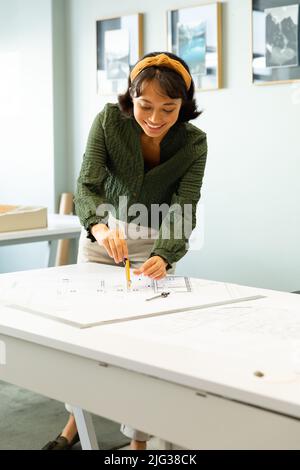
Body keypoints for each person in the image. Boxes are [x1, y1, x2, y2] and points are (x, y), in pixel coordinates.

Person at [42, 51, 207, 451]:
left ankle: (138, 443)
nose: (155, 118)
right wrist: (98, 226)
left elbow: (185, 205)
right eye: (145, 105)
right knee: (88, 338)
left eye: (168, 108)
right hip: (103, 239)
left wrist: (166, 254)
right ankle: (73, 429)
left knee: (144, 346)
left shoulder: (195, 143)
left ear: (183, 105)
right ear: (130, 97)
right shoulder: (107, 122)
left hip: (152, 246)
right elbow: (87, 184)